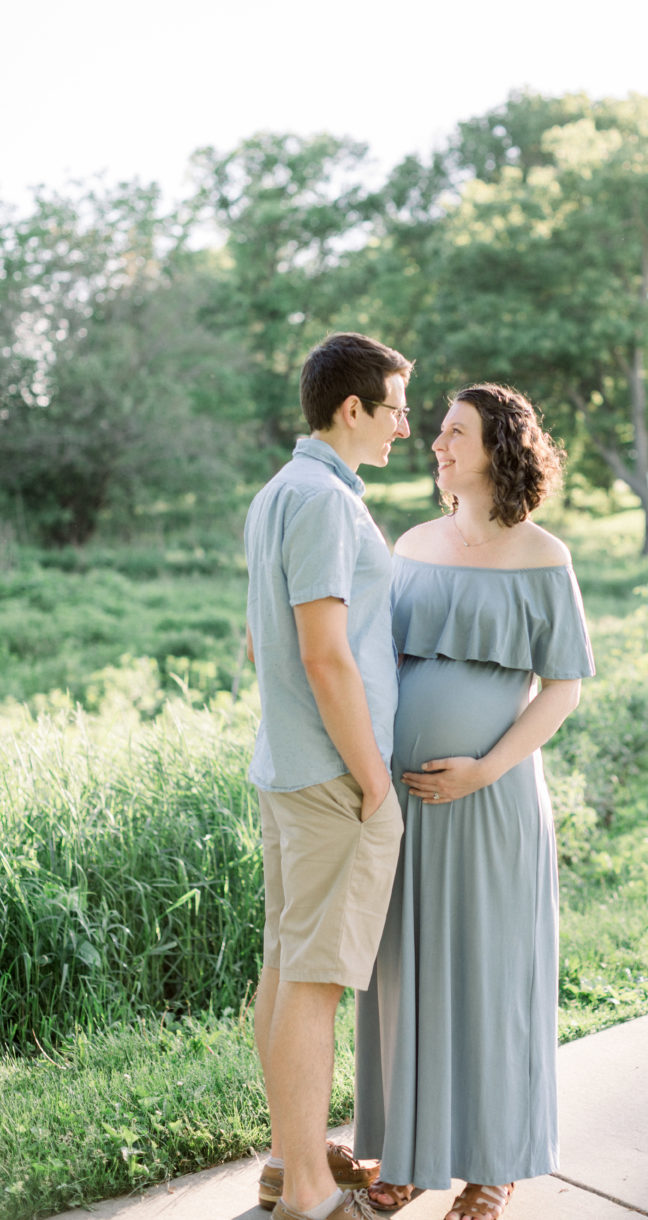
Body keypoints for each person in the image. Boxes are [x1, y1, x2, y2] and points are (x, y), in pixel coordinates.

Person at [354, 383, 595, 1220]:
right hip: (405, 804)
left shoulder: (543, 557)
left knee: (489, 975)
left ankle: (493, 1168)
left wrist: (483, 770)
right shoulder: (413, 542)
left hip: (490, 803)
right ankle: (409, 1155)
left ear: (498, 447)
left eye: (454, 432)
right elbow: (374, 660)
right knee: (402, 972)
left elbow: (561, 688)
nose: (435, 443)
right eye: (438, 432)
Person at [244, 332, 413, 1220]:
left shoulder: (280, 491)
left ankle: (288, 1161)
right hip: (329, 784)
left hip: (288, 769)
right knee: (313, 982)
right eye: (394, 409)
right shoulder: (324, 505)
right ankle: (308, 1194)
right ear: (352, 409)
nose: (404, 427)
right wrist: (372, 778)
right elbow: (325, 656)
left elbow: (256, 642)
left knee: (285, 969)